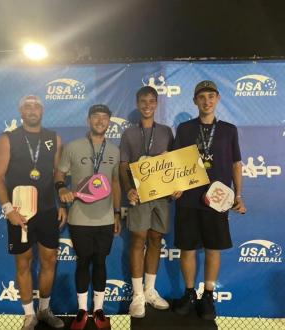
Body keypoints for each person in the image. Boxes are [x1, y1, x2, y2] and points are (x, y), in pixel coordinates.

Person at [173, 81, 246, 320]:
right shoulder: (184, 129)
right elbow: (175, 163)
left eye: (211, 96)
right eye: (201, 97)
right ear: (195, 101)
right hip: (188, 198)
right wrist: (175, 186)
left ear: (218, 99)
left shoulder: (229, 129)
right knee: (188, 249)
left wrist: (238, 195)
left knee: (213, 249)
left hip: (218, 199)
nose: (206, 101)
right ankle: (189, 292)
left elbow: (236, 163)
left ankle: (208, 295)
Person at [0, 95, 66, 330]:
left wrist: (61, 203)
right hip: (19, 212)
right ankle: (28, 315)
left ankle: (44, 310)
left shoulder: (54, 138)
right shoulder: (8, 138)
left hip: (47, 210)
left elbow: (58, 173)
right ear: (21, 111)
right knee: (23, 263)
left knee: (49, 260)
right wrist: (8, 210)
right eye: (27, 107)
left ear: (42, 111)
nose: (32, 110)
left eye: (36, 106)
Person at [55, 104, 121, 330]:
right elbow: (59, 172)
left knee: (100, 262)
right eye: (96, 117)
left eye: (105, 117)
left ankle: (99, 310)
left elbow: (115, 183)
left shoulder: (114, 150)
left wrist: (117, 212)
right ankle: (82, 310)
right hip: (79, 219)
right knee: (83, 262)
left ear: (109, 122)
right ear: (88, 120)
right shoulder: (72, 147)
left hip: (105, 219)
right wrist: (61, 188)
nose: (100, 121)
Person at [119, 86, 174, 318]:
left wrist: (174, 187)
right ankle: (137, 296)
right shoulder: (129, 133)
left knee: (155, 238)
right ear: (137, 103)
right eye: (143, 101)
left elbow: (174, 164)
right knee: (138, 238)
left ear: (157, 103)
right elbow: (123, 165)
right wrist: (129, 188)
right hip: (139, 195)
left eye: (152, 101)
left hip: (160, 195)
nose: (147, 105)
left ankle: (150, 290)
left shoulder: (166, 131)